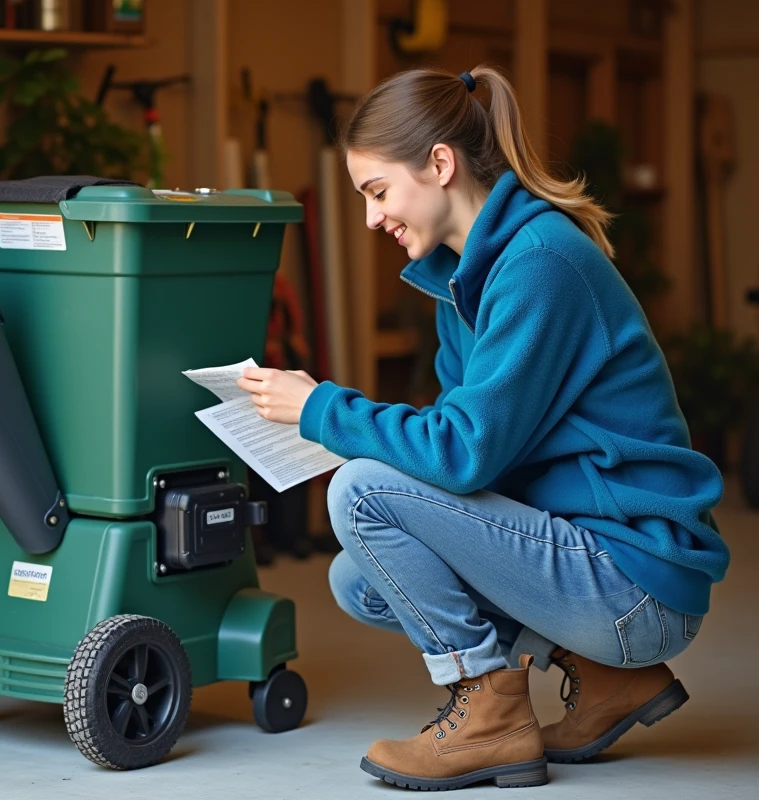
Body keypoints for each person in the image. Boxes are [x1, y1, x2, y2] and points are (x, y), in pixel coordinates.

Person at [235, 64, 729, 792]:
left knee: (362, 495)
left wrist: (323, 412)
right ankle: (601, 678)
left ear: (439, 164)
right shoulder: (460, 281)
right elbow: (468, 453)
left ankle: (492, 715)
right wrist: (335, 426)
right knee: (361, 580)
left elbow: (463, 454)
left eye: (377, 192)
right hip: (591, 562)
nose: (372, 219)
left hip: (636, 584)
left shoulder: (539, 264)